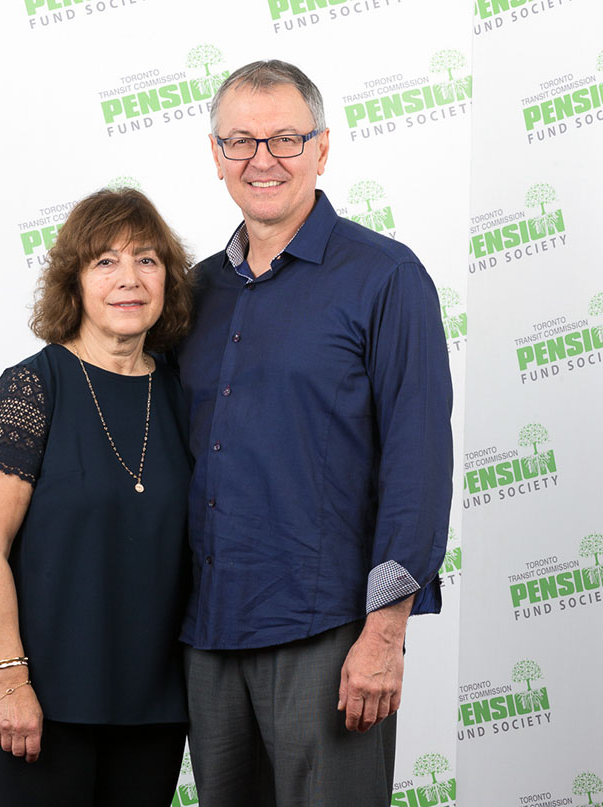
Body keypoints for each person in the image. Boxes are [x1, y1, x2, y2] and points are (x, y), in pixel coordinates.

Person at [174, 61, 453, 805]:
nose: (261, 159)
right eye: (240, 141)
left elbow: (418, 461)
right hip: (208, 633)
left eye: (285, 139)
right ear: (215, 155)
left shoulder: (385, 277)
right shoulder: (193, 293)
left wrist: (385, 632)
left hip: (329, 631)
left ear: (322, 149)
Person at [0, 188, 194, 806]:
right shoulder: (33, 388)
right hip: (38, 700)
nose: (129, 279)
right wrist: (9, 684)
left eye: (147, 259)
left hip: (154, 705)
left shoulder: (183, 395)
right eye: (105, 261)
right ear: (74, 281)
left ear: (168, 277)